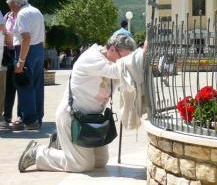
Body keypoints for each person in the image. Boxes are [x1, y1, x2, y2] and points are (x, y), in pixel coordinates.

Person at [18, 34, 137, 173]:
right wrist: (141, 56)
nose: (125, 62)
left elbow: (126, 78)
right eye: (124, 58)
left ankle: (61, 145)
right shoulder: (93, 58)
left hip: (93, 120)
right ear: (111, 50)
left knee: (100, 162)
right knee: (82, 165)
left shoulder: (111, 62)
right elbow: (118, 71)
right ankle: (38, 153)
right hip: (73, 117)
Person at [8, 0, 45, 131]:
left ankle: (29, 119)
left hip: (26, 50)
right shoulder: (36, 11)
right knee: (36, 85)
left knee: (24, 85)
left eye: (11, 6)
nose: (11, 9)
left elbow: (26, 37)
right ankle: (36, 117)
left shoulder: (22, 14)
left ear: (15, 4)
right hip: (38, 50)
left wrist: (21, 61)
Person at [1, 9, 19, 129]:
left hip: (19, 52)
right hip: (7, 53)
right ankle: (7, 116)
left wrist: (10, 35)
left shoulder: (23, 16)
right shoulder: (7, 16)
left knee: (21, 85)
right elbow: (3, 32)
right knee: (8, 87)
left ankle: (21, 117)